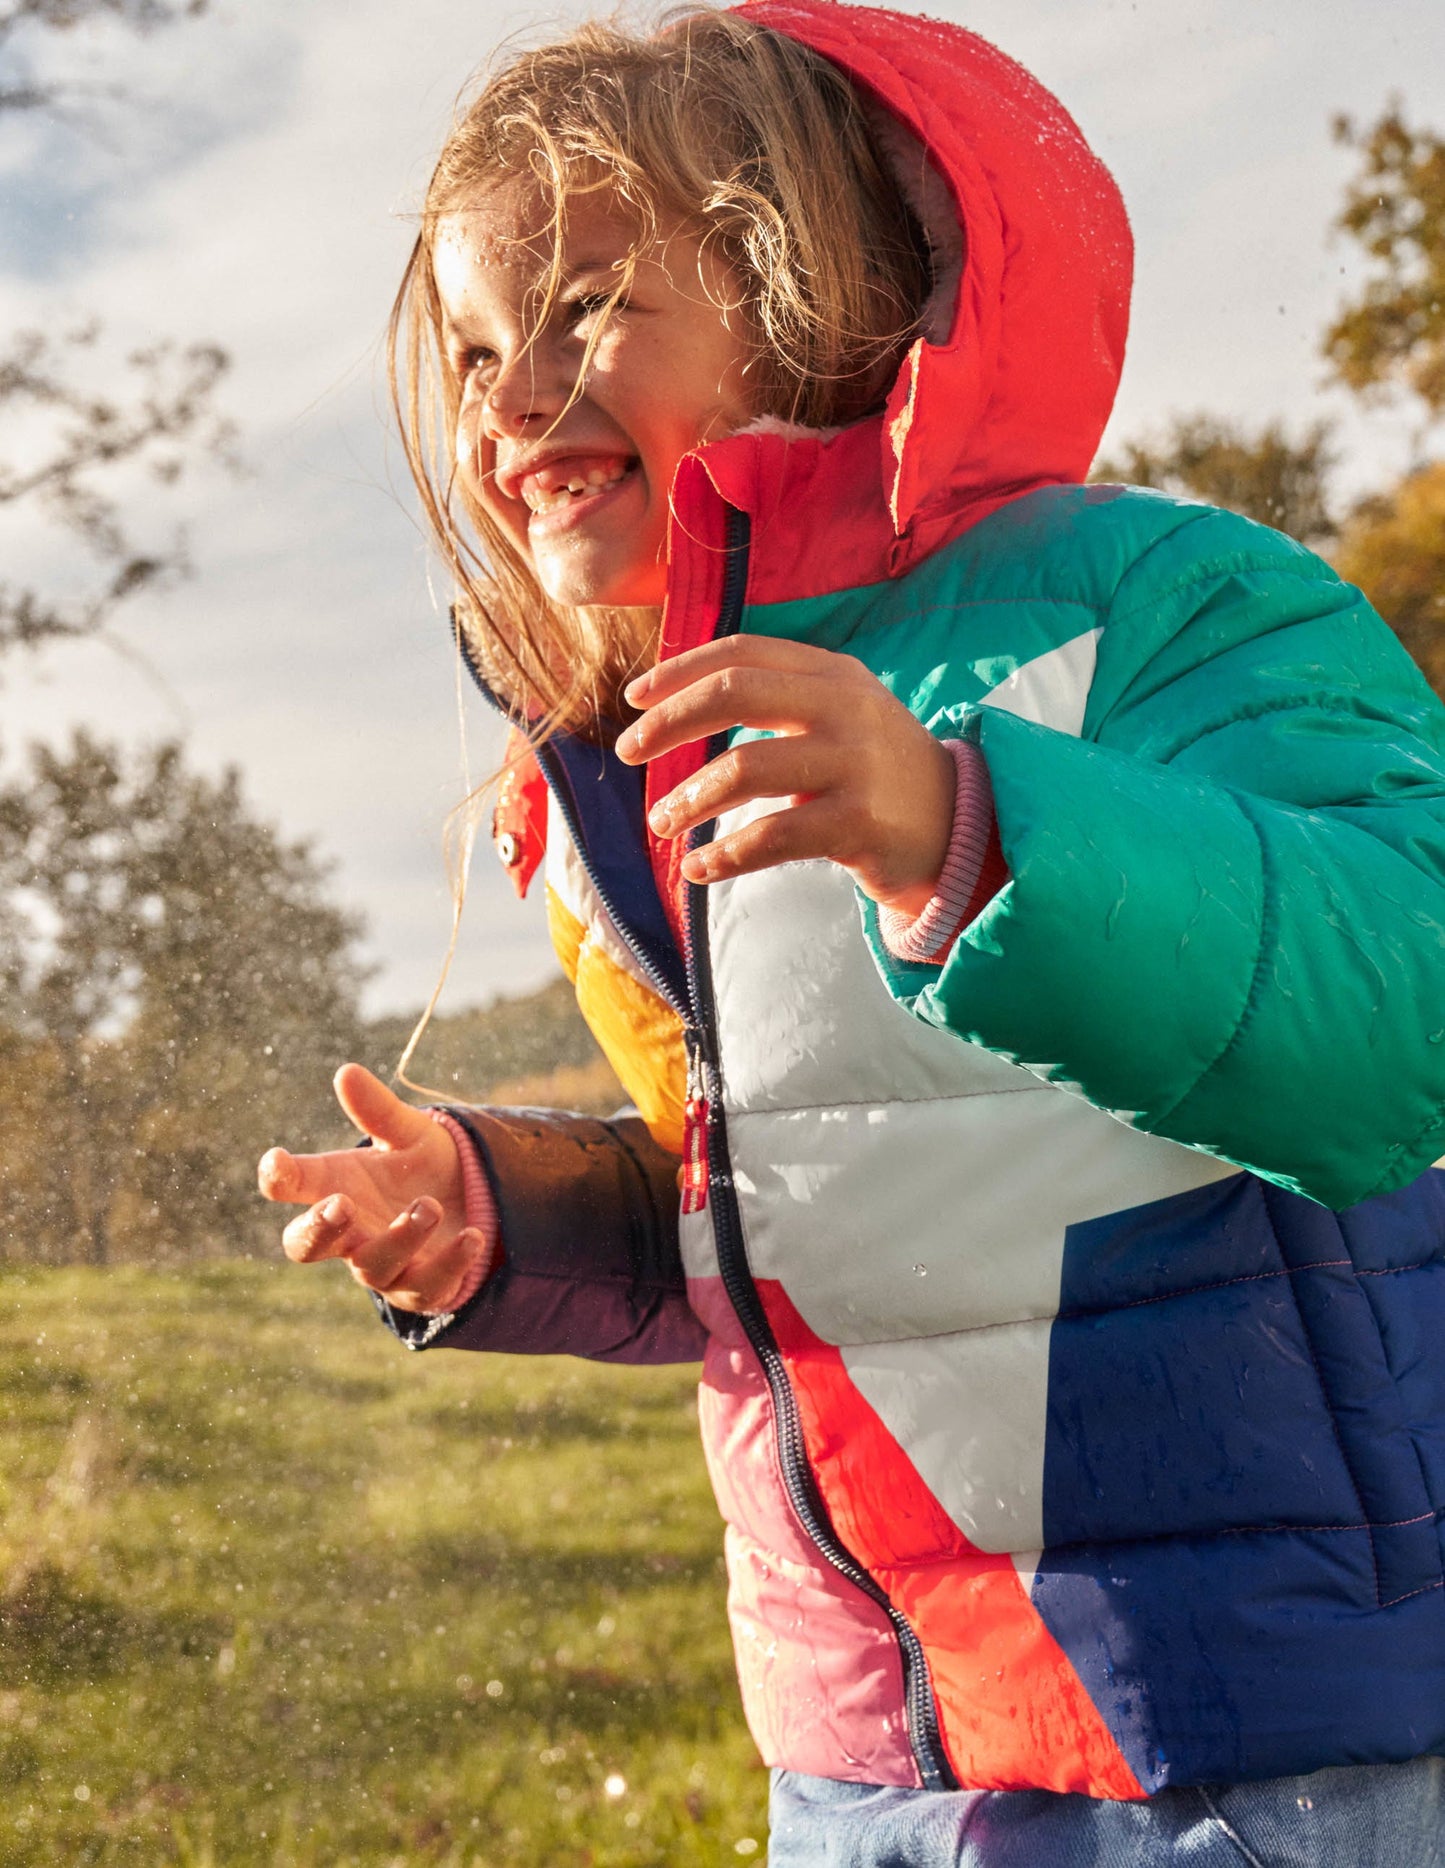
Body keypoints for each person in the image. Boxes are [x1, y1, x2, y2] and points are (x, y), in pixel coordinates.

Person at [257, 4, 1445, 1861]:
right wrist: (504, 1218)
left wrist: (969, 832)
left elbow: (1406, 1031)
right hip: (862, 1752)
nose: (503, 411)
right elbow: (787, 1215)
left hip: (1260, 1733)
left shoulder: (1159, 603)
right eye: (478, 348)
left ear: (812, 281)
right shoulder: (607, 777)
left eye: (582, 314)